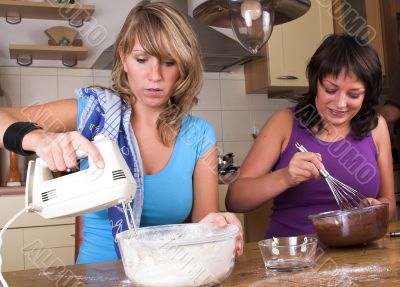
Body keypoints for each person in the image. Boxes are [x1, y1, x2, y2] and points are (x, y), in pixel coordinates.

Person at [0, 2, 243, 263]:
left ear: (183, 67)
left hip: (167, 275)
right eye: (142, 59)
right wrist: (39, 139)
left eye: (169, 62)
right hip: (96, 277)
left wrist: (217, 226)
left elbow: (203, 225)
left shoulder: (199, 135)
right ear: (123, 58)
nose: (155, 76)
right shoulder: (92, 114)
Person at [226, 34, 396, 239]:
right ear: (316, 82)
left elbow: (388, 200)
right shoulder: (284, 123)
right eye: (331, 90)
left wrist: (378, 208)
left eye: (354, 95)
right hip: (294, 259)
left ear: (367, 94)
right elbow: (235, 199)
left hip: (358, 256)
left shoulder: (376, 127)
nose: (341, 104)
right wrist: (285, 177)